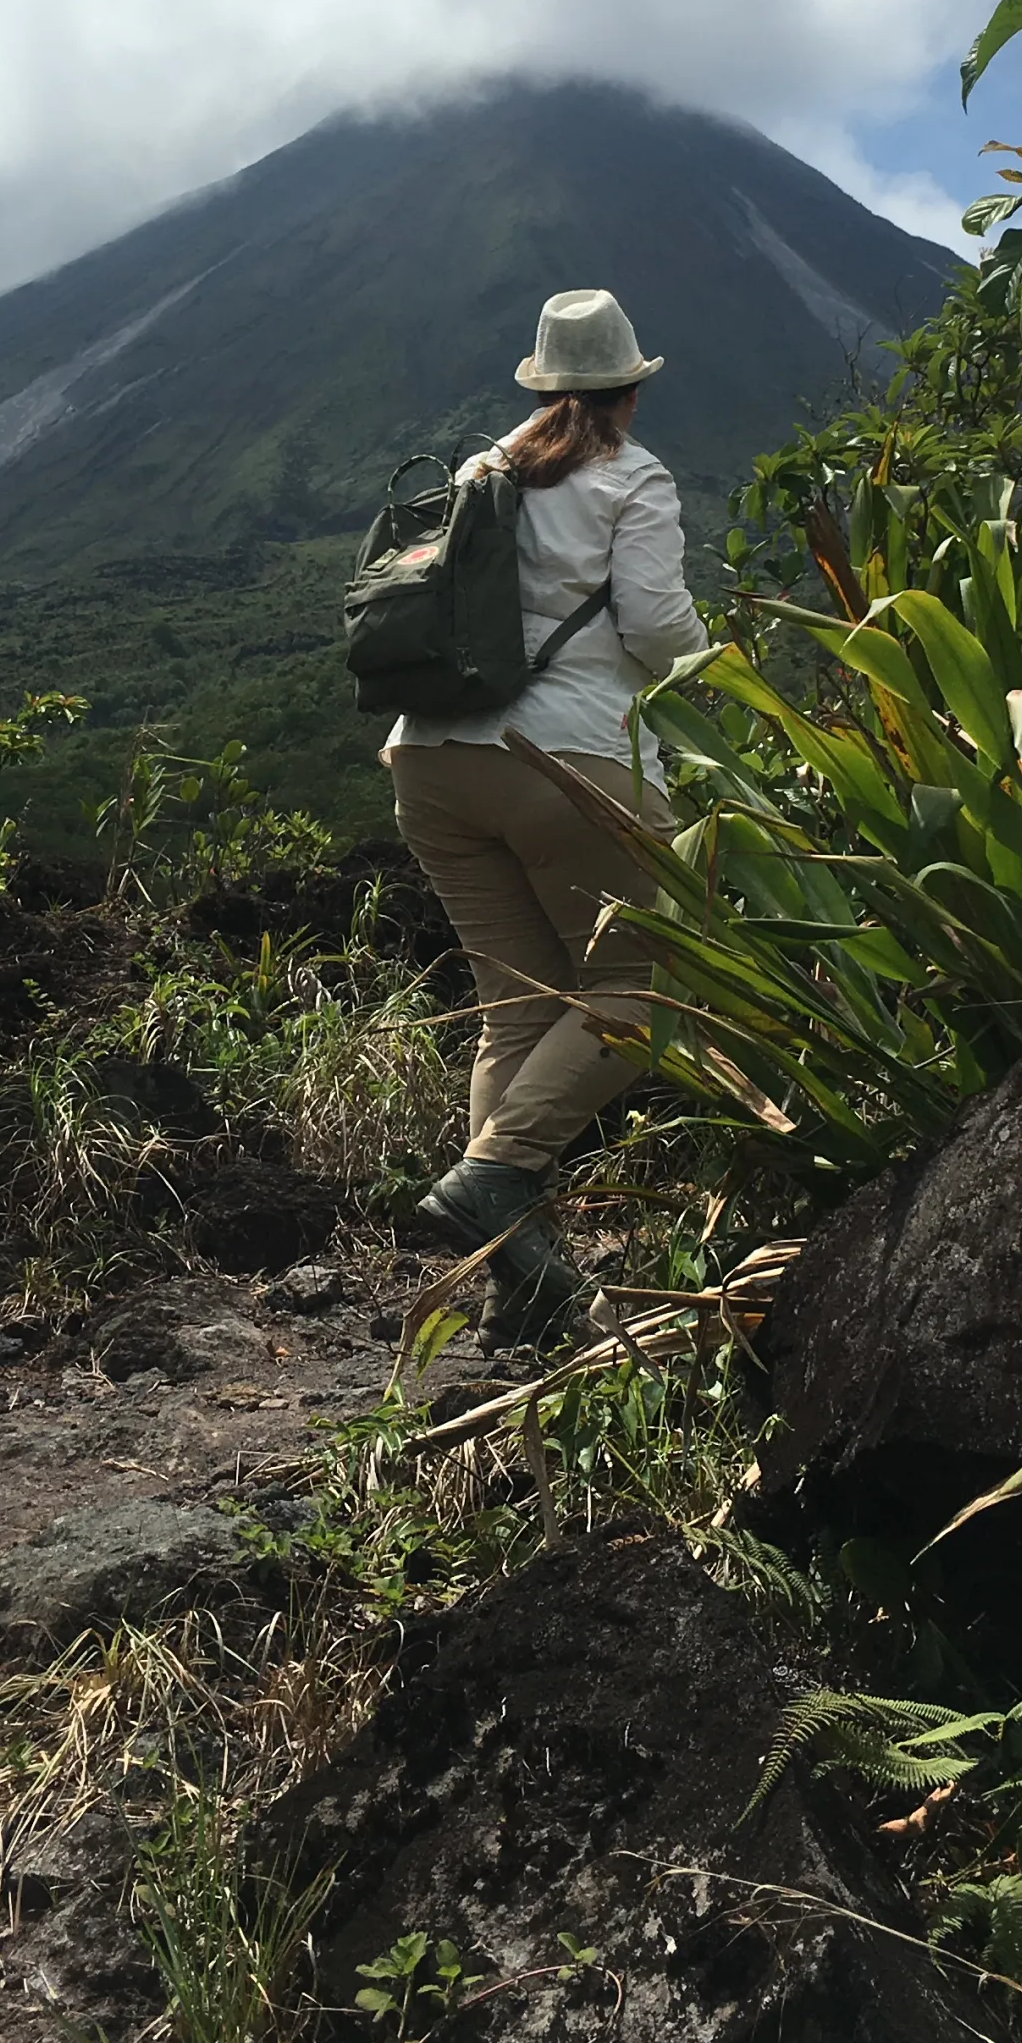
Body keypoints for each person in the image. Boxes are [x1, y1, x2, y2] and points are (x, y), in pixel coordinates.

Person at [387, 286, 708, 1344]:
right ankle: (493, 1176)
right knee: (653, 977)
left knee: (515, 1005)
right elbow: (657, 623)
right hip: (562, 757)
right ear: (627, 387)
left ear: (543, 381)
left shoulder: (480, 469)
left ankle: (511, 1279)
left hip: (429, 757)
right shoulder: (631, 475)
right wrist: (714, 666)